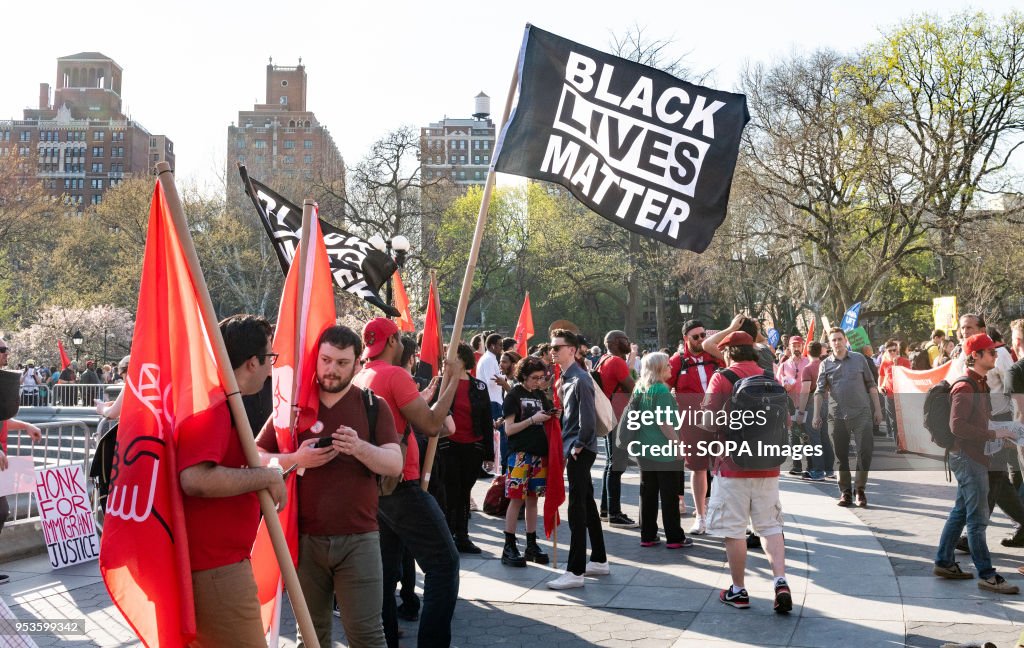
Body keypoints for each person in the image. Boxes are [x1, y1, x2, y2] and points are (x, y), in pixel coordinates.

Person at [256, 325, 401, 648]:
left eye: (341, 362)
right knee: (310, 637)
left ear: (357, 364)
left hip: (359, 538)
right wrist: (297, 458)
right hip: (304, 539)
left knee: (366, 636)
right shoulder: (292, 405)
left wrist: (360, 448)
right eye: (326, 360)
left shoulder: (372, 405)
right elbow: (257, 455)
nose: (331, 370)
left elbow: (394, 464)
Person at [176, 314, 288, 647]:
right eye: (269, 358)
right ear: (252, 362)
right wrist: (265, 477)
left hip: (219, 564)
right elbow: (195, 479)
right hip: (216, 570)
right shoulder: (213, 406)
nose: (271, 367)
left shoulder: (222, 403)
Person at [352, 318, 462, 648]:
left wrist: (437, 386)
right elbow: (430, 424)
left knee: (386, 577)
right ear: (393, 341)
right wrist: (454, 380)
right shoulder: (395, 374)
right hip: (401, 487)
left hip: (379, 489)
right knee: (444, 565)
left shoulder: (363, 374)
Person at [701, 331, 792, 613]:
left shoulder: (723, 377)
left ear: (728, 353)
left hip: (732, 466)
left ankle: (738, 591)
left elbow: (707, 422)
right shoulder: (770, 377)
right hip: (768, 465)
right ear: (752, 352)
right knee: (771, 526)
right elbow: (786, 421)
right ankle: (780, 581)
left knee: (734, 531)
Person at [933, 333, 1020, 594]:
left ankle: (944, 561)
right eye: (991, 353)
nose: (996, 356)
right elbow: (957, 425)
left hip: (975, 455)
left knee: (961, 511)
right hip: (968, 458)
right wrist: (994, 434)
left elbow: (978, 422)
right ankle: (987, 574)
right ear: (976, 356)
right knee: (977, 519)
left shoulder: (979, 383)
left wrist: (1001, 435)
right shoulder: (966, 386)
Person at [547, 328, 608, 590]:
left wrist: (579, 445)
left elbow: (587, 419)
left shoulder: (580, 379)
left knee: (577, 509)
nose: (553, 351)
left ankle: (575, 571)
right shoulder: (568, 377)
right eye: (552, 347)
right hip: (576, 447)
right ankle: (600, 560)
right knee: (585, 503)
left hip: (579, 449)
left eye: (557, 347)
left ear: (571, 350)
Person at [813, 327, 883, 508]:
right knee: (840, 455)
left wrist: (878, 410)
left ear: (845, 340)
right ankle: (845, 492)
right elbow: (819, 391)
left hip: (862, 414)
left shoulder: (859, 359)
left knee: (865, 453)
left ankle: (860, 490)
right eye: (833, 340)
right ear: (829, 343)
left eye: (839, 339)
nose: (837, 343)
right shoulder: (825, 364)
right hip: (836, 416)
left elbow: (871, 385)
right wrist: (815, 415)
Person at [631, 352, 689, 549]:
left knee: (647, 493)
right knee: (669, 495)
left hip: (644, 448)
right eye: (668, 365)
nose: (671, 368)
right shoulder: (661, 391)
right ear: (659, 368)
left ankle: (647, 535)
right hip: (663, 449)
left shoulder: (640, 387)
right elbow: (664, 422)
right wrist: (677, 444)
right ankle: (674, 537)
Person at [439, 343, 493, 554]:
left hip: (473, 447)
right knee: (450, 492)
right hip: (448, 446)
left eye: (450, 355)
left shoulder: (479, 386)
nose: (445, 359)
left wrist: (489, 453)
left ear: (461, 359)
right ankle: (448, 535)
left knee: (464, 492)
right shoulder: (440, 384)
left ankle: (462, 536)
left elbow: (486, 420)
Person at [669, 319, 721, 533]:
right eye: (696, 337)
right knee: (698, 468)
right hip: (691, 423)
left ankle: (722, 514)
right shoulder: (676, 361)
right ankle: (700, 516)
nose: (701, 340)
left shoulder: (715, 356)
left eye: (703, 335)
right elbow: (662, 389)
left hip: (719, 420)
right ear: (686, 339)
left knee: (722, 468)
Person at [501, 356, 553, 567]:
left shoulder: (541, 394)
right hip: (520, 454)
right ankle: (509, 544)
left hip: (539, 454)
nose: (538, 382)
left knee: (533, 499)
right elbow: (509, 429)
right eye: (534, 378)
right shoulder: (514, 395)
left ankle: (531, 542)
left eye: (541, 378)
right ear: (523, 376)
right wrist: (533, 420)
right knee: (516, 499)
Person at [596, 330, 638, 529]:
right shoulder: (617, 362)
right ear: (614, 342)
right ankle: (614, 512)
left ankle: (606, 510)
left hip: (608, 416)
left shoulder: (603, 360)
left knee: (611, 465)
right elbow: (634, 388)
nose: (628, 342)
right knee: (616, 466)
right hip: (618, 417)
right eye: (625, 339)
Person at [800, 341, 835, 481]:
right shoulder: (826, 366)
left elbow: (805, 391)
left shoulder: (807, 369)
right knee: (825, 437)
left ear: (807, 352)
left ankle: (818, 471)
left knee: (815, 439)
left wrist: (801, 411)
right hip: (826, 403)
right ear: (820, 351)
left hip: (812, 405)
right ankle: (829, 470)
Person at [776, 336, 809, 474]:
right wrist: (784, 385)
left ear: (802, 347)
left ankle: (811, 466)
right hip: (790, 404)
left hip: (806, 404)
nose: (796, 348)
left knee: (807, 435)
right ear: (789, 347)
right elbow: (777, 382)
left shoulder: (808, 362)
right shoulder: (783, 365)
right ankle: (797, 466)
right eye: (794, 345)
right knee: (794, 436)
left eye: (799, 345)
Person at [878, 339, 910, 440]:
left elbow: (908, 377)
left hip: (902, 395)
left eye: (894, 350)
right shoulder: (885, 362)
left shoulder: (905, 361)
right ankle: (898, 443)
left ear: (897, 350)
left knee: (903, 419)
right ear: (886, 351)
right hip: (889, 394)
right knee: (893, 420)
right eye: (890, 350)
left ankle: (905, 441)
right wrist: (880, 386)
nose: (892, 352)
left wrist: (896, 366)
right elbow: (881, 375)